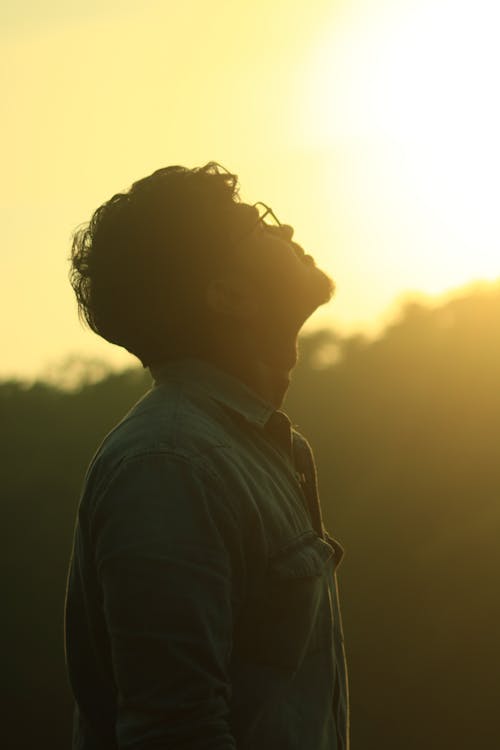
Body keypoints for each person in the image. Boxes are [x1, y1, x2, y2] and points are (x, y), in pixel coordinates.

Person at [64, 162, 349, 749]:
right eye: (259, 224)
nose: (287, 229)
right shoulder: (171, 465)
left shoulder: (251, 447)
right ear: (228, 295)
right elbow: (175, 731)